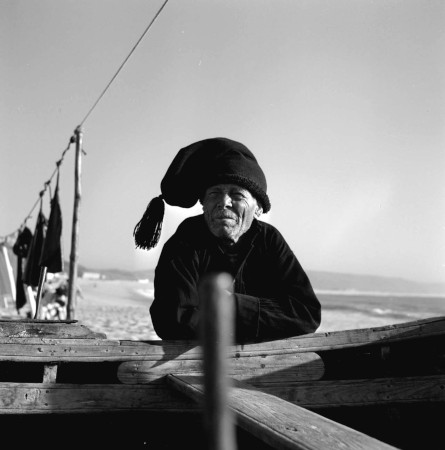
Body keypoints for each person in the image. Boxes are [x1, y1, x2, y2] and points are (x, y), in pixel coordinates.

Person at [134, 137, 321, 343]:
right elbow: (171, 321)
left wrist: (228, 303)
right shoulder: (186, 240)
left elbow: (306, 315)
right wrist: (256, 320)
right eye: (214, 193)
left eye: (237, 195)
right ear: (203, 203)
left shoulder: (269, 239)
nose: (224, 202)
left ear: (258, 208)